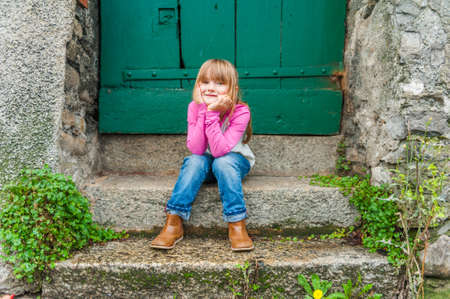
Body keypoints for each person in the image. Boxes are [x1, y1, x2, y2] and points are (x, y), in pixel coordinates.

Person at [150, 59, 255, 251]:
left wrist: (213, 113)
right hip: (207, 164)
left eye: (220, 83)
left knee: (223, 162)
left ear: (233, 88)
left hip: (233, 163)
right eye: (205, 82)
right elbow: (197, 149)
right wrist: (204, 111)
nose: (211, 88)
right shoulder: (194, 107)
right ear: (198, 85)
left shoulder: (241, 111)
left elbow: (220, 151)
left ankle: (236, 223)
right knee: (194, 161)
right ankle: (174, 221)